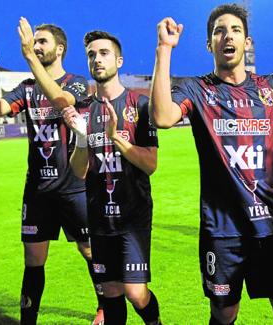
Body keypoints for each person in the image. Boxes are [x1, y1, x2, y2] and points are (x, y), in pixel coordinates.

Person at [149, 4, 273, 324]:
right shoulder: (197, 90)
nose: (227, 35)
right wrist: (164, 49)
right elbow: (162, 116)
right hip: (222, 228)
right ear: (209, 44)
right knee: (225, 312)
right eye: (219, 31)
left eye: (235, 30)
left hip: (271, 223)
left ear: (247, 43)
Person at [0, 18, 104, 325]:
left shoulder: (78, 82)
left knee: (89, 252)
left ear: (60, 49)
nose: (36, 46)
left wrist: (28, 56)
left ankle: (104, 308)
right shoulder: (27, 88)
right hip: (38, 190)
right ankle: (27, 320)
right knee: (33, 261)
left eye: (42, 41)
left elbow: (61, 101)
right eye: (35, 42)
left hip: (75, 186)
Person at [63, 30, 162, 325]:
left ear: (119, 60)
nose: (97, 59)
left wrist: (117, 139)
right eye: (92, 54)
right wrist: (81, 139)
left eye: (104, 53)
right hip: (99, 217)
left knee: (135, 292)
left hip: (133, 217)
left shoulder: (140, 105)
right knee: (110, 292)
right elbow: (78, 171)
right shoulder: (82, 110)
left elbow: (151, 164)